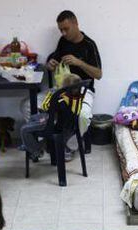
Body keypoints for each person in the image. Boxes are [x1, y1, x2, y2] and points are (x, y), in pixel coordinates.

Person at [46, 10, 102, 157]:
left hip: (83, 91)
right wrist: (50, 64)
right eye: (60, 30)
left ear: (76, 23)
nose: (63, 33)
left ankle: (70, 142)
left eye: (66, 29)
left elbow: (98, 74)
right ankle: (46, 142)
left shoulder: (89, 45)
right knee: (30, 105)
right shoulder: (63, 41)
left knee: (83, 116)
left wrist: (79, 62)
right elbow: (55, 59)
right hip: (62, 90)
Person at [20, 73, 82, 161]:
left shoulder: (59, 99)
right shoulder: (76, 98)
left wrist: (51, 96)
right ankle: (33, 144)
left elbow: (46, 108)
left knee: (24, 129)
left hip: (53, 123)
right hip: (64, 123)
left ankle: (36, 150)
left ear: (64, 88)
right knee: (33, 118)